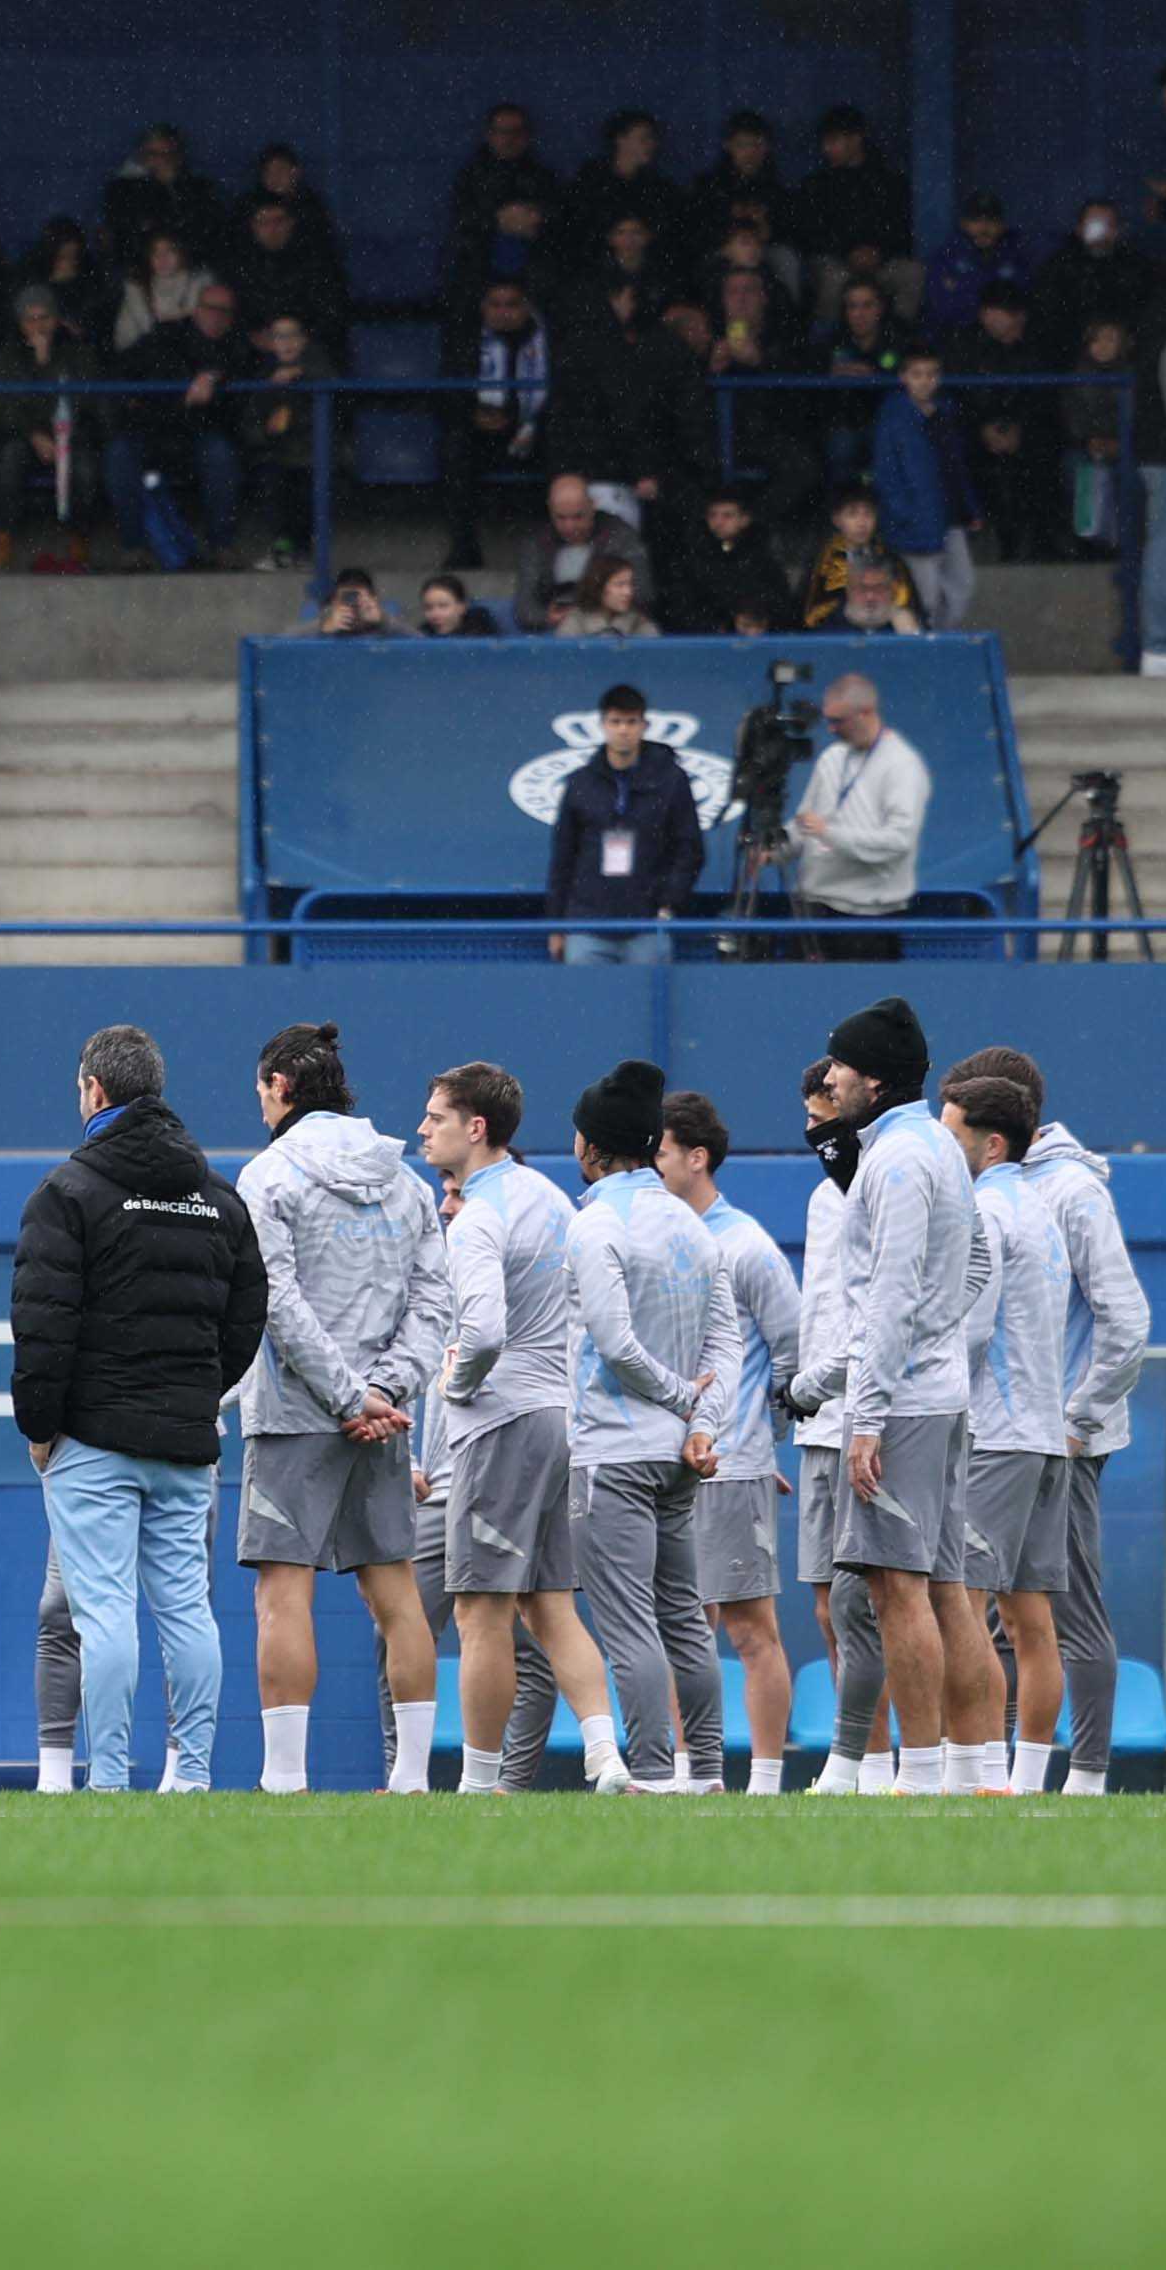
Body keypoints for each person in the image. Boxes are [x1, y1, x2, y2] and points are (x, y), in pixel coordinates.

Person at [7, 1023, 269, 1795]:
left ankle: (111, 1781)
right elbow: (246, 1317)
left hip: (92, 1438)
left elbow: (42, 1323)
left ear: (94, 1090)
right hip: (187, 1440)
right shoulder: (220, 1195)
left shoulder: (66, 1192)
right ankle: (192, 1780)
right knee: (188, 1609)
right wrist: (196, 1392)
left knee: (105, 1614)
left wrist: (41, 1426)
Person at [228, 1022, 442, 1795]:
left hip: (294, 1413)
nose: (259, 1104)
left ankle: (285, 1780)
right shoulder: (409, 1180)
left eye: (261, 1090)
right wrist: (386, 1391)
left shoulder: (266, 1175)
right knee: (394, 1589)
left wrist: (355, 1395)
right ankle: (412, 1778)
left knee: (283, 1590)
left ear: (282, 1085)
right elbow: (434, 1300)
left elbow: (275, 1301)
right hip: (381, 1417)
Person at [418, 1062, 639, 1794]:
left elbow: (480, 1331)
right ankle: (605, 1755)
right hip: (556, 1420)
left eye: (436, 1117)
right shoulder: (552, 1198)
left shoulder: (478, 1214)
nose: (423, 1129)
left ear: (475, 1128)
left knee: (481, 1610)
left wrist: (456, 1385)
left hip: (501, 1426)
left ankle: (478, 1787)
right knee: (548, 1604)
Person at [821, 997, 1002, 1790]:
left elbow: (890, 1293)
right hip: (940, 1394)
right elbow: (975, 1264)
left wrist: (866, 1416)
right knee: (946, 1587)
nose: (829, 1079)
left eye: (839, 1066)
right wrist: (938, 1341)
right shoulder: (937, 1145)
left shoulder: (893, 1160)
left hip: (900, 1406)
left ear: (875, 1078)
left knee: (899, 1590)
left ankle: (920, 1772)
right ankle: (971, 1766)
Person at [937, 1060, 1082, 1792]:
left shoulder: (986, 1212)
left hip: (995, 1432)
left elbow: (971, 1326)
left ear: (990, 1144)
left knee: (959, 1603)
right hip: (1045, 1431)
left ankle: (979, 1769)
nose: (939, 1143)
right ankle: (1024, 1780)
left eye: (950, 1130)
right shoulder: (1040, 1211)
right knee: (1030, 1617)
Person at [539, 681, 705, 962]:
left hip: (648, 925)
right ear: (603, 725)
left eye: (631, 721)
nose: (624, 730)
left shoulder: (671, 780)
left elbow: (689, 848)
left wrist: (667, 904)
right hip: (588, 924)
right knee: (585, 1005)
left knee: (648, 1006)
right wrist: (557, 925)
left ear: (644, 725)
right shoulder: (580, 782)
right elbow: (563, 855)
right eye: (615, 722)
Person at [781, 668, 929, 959]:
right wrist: (776, 849)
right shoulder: (832, 757)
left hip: (867, 919)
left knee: (863, 1004)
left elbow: (898, 841)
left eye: (838, 721)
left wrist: (829, 833)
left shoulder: (902, 765)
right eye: (828, 720)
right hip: (815, 911)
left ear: (866, 713)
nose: (831, 729)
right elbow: (804, 824)